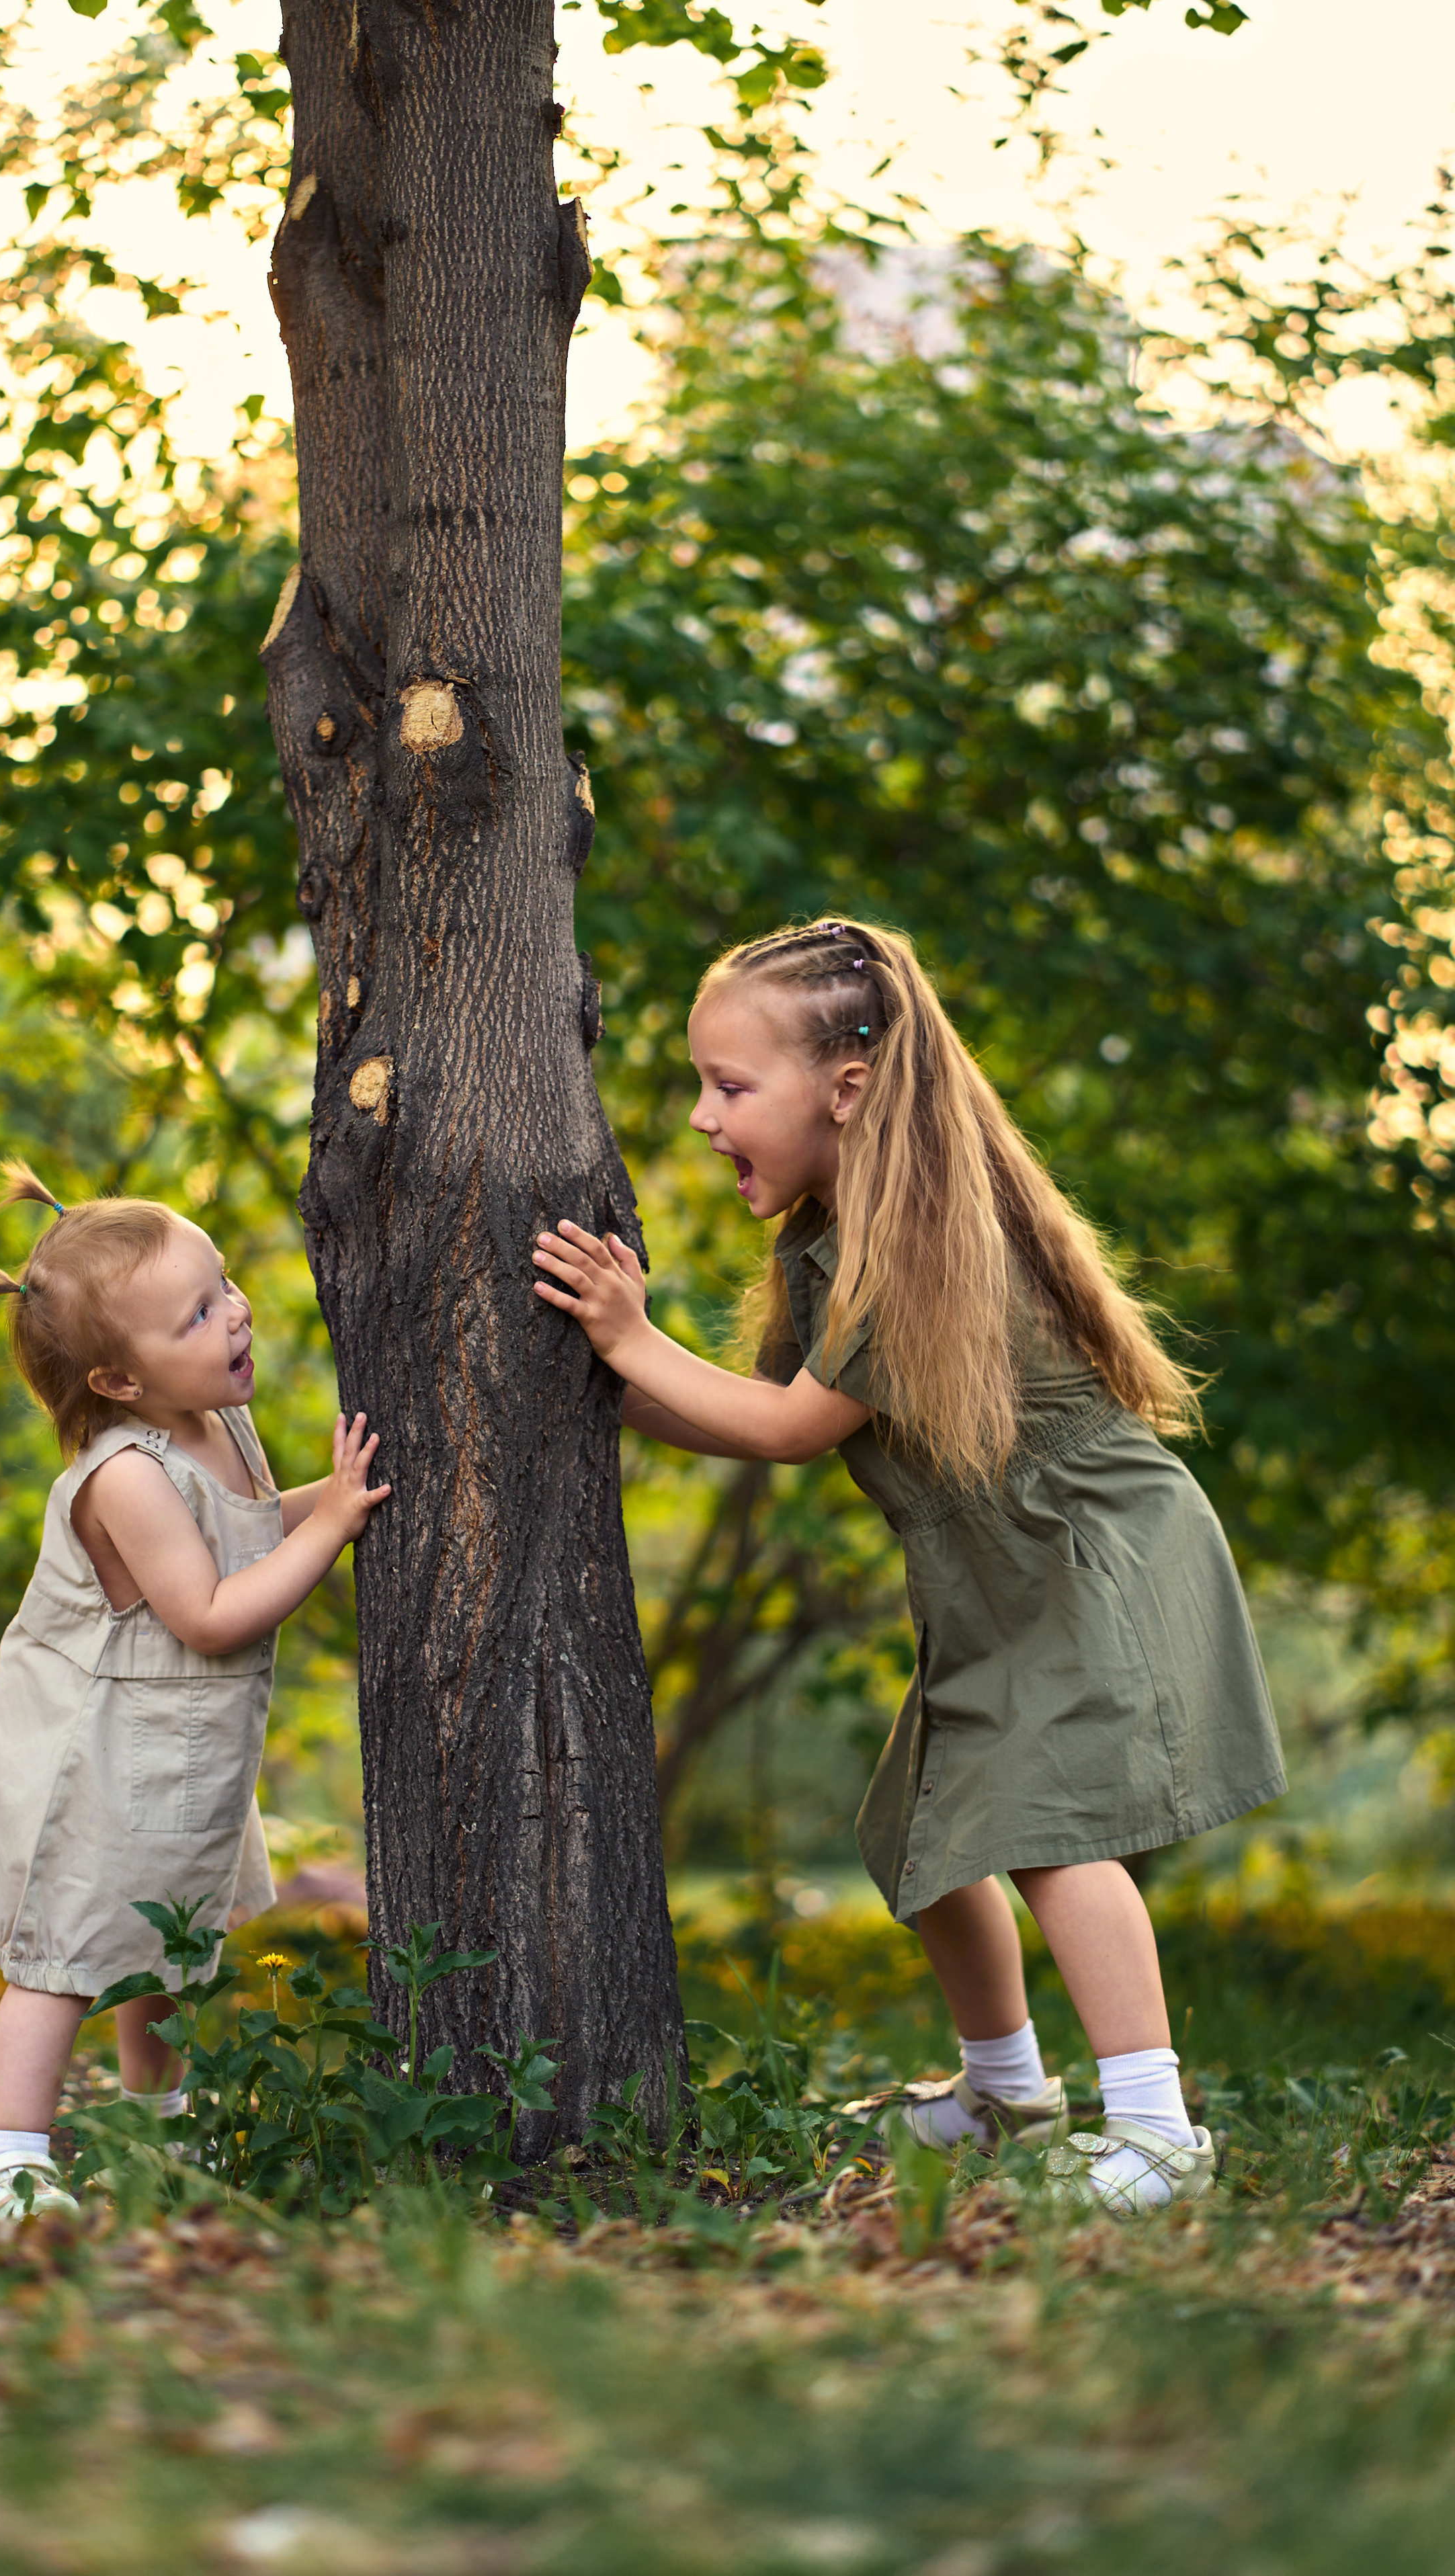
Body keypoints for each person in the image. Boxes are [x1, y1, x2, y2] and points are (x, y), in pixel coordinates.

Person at [534, 919, 1284, 2214]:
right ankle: (1005, 2092)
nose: (705, 1117)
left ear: (849, 1085)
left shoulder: (919, 1233)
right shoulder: (829, 1234)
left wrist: (630, 1334)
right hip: (999, 1581)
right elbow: (762, 1411)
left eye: (729, 1084)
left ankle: (1158, 2132)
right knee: (923, 1833)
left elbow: (786, 1427)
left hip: (1084, 1555)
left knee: (1057, 1834)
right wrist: (600, 1382)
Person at [0, 1163, 390, 2231]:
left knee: (167, 1947)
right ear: (120, 1385)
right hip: (91, 1762)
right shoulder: (126, 1473)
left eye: (222, 1283)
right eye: (196, 1313)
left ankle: (160, 2133)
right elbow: (212, 1610)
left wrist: (340, 1492)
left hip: (178, 1755)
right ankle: (7, 2165)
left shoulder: (218, 1424)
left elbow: (250, 1527)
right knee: (59, 1961)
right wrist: (331, 1530)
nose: (235, 1312)